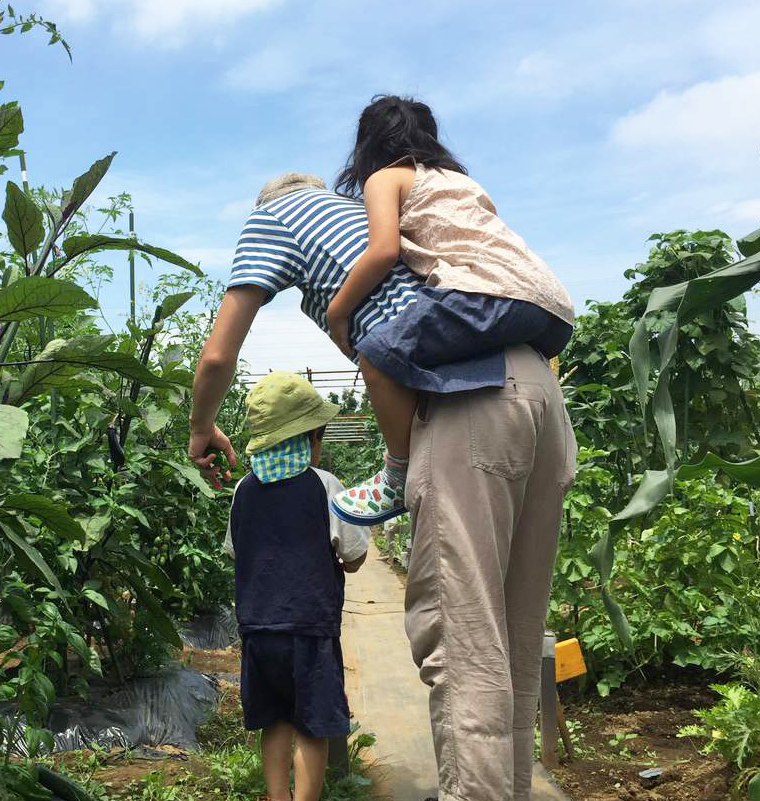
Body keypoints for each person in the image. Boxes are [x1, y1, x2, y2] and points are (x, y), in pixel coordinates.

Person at [189, 169, 577, 800]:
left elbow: (215, 356)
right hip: (535, 385)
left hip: (464, 400)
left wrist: (201, 424)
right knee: (510, 637)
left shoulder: (273, 219)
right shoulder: (361, 214)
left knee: (463, 641)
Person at [324, 95, 575, 526]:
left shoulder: (384, 178)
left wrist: (337, 312)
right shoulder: (460, 182)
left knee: (379, 354)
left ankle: (396, 475)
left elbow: (382, 250)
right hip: (551, 309)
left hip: (488, 293)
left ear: (367, 144)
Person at [223, 371, 368, 801]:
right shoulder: (325, 487)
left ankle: (276, 796)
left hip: (258, 631)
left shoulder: (243, 491)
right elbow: (355, 558)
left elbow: (237, 551)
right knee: (312, 725)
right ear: (312, 439)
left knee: (276, 720)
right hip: (310, 630)